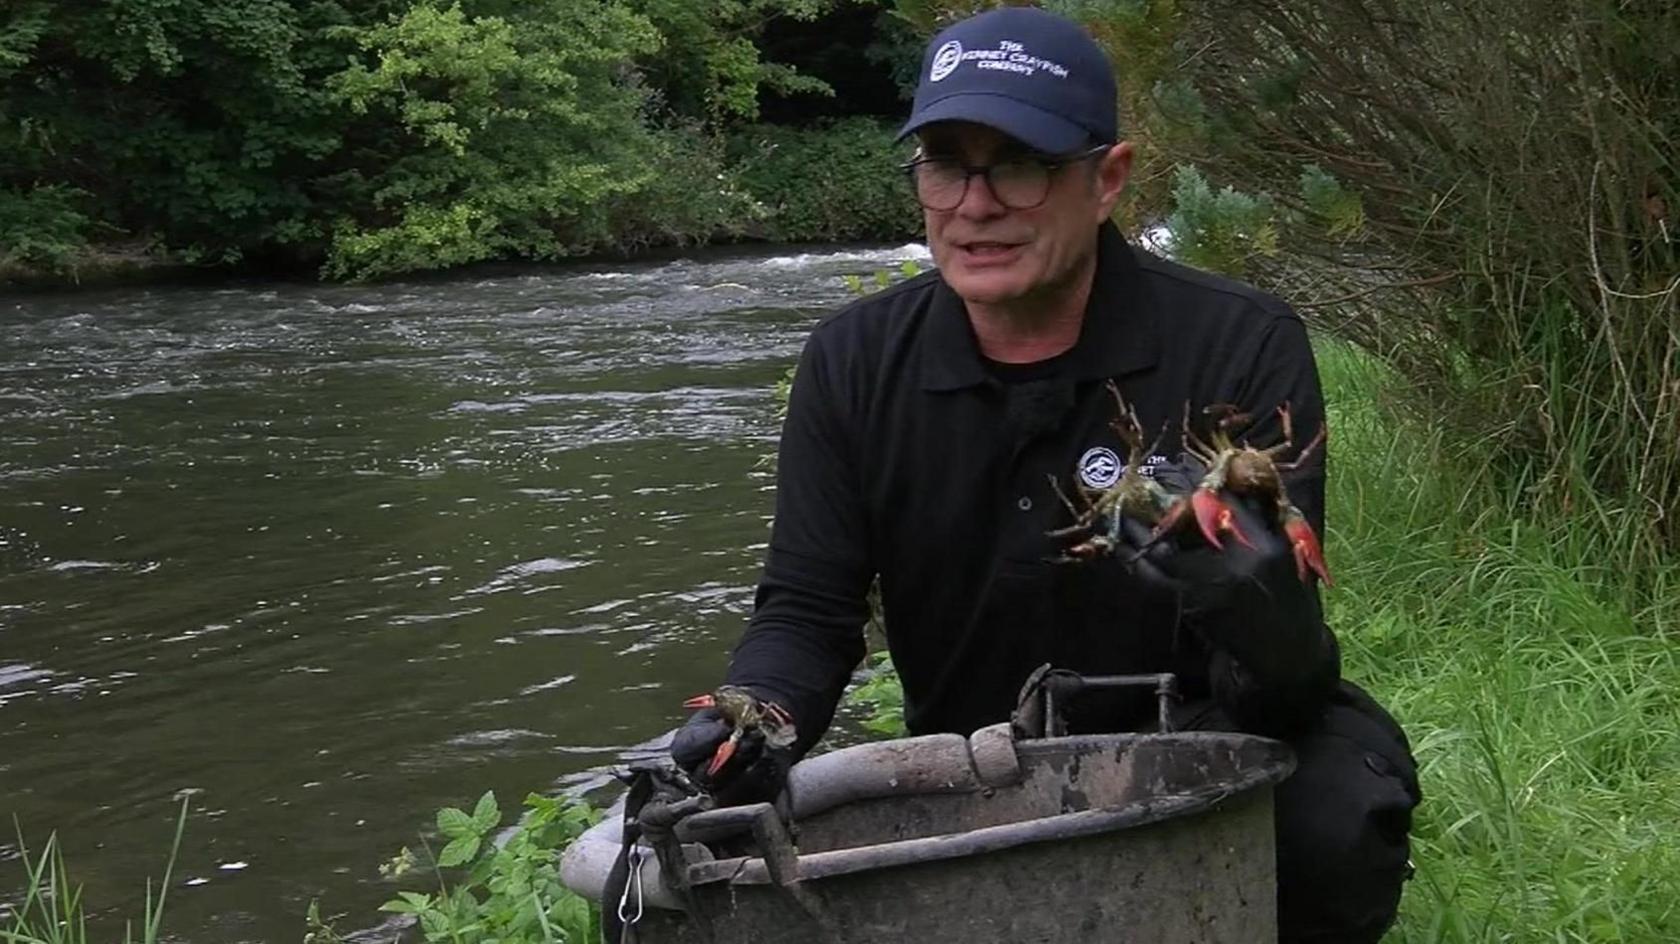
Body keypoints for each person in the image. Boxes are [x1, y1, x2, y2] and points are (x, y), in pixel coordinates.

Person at [670, 7, 1420, 942]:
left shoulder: (1240, 342)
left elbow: (1289, 692)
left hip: (1209, 740)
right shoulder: (853, 361)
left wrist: (1261, 611)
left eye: (1019, 163)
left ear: (1107, 179)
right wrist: (759, 719)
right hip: (973, 754)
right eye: (947, 162)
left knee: (1335, 809)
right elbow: (807, 614)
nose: (975, 205)